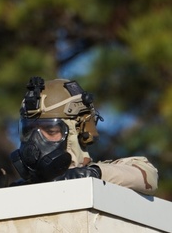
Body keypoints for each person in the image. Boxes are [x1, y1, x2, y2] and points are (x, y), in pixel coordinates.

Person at [9, 76, 158, 195]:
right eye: (28, 132)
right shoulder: (19, 191)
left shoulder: (99, 175)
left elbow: (147, 174)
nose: (35, 142)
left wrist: (93, 174)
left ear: (79, 131)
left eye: (51, 131)